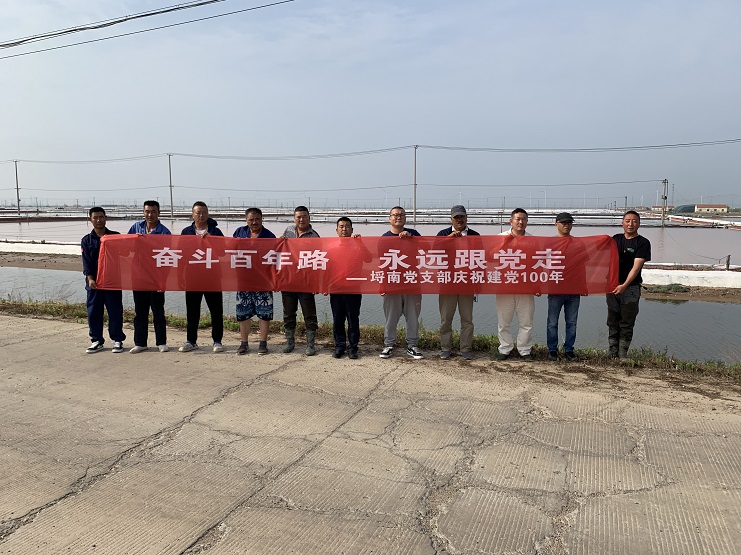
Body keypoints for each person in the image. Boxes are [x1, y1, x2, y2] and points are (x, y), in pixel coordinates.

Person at [179, 201, 225, 353]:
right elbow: (181, 254)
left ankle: (217, 341)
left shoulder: (216, 231)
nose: (201, 215)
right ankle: (191, 341)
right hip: (193, 277)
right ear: (192, 215)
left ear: (208, 214)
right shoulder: (186, 232)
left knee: (216, 311)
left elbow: (223, 251)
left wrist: (212, 239)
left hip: (213, 277)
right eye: (198, 212)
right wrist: (180, 276)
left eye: (204, 212)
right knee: (192, 311)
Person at [379, 206, 424, 360]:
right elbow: (382, 263)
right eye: (395, 215)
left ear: (405, 218)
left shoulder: (414, 234)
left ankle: (412, 345)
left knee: (412, 318)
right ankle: (388, 345)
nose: (398, 217)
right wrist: (382, 285)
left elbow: (428, 247)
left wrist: (412, 239)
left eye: (401, 215)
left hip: (412, 282)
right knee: (391, 318)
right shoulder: (384, 238)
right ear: (390, 218)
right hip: (392, 284)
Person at [436, 205, 479, 360]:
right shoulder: (443, 234)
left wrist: (478, 283)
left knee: (467, 319)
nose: (459, 220)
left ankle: (465, 348)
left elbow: (480, 259)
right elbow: (433, 250)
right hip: (447, 283)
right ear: (451, 219)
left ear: (466, 218)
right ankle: (445, 348)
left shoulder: (475, 235)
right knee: (446, 319)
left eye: (462, 217)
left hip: (467, 283)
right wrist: (449, 238)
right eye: (456, 217)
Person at [127, 200, 171, 353]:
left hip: (156, 278)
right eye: (147, 211)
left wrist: (163, 281)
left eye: (153, 211)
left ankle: (161, 342)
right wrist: (135, 240)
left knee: (158, 311)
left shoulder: (164, 232)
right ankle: (140, 343)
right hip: (139, 276)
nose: (150, 214)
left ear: (159, 213)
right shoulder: (136, 228)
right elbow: (127, 248)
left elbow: (168, 258)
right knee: (140, 312)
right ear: (143, 212)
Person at [606, 210, 651, 358]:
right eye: (627, 221)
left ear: (639, 223)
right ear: (622, 223)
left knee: (626, 322)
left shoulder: (643, 243)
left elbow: (636, 268)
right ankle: (612, 353)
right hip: (612, 287)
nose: (630, 224)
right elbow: (603, 256)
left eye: (634, 221)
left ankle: (623, 355)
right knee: (613, 320)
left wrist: (624, 285)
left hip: (630, 288)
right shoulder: (615, 239)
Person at [81, 207, 126, 354]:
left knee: (115, 311)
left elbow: (126, 252)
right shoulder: (86, 240)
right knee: (94, 312)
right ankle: (96, 340)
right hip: (94, 283)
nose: (99, 220)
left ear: (106, 218)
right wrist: (90, 278)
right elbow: (86, 262)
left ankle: (117, 340)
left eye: (101, 217)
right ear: (90, 220)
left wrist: (137, 239)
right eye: (95, 217)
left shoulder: (115, 237)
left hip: (112, 282)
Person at [233, 207, 276, 355]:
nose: (254, 222)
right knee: (243, 313)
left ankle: (263, 343)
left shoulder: (269, 236)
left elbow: (276, 259)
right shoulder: (239, 232)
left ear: (262, 219)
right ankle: (244, 343)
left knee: (264, 313)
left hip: (263, 281)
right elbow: (229, 249)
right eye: (251, 219)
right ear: (246, 220)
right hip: (243, 280)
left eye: (257, 219)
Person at [495, 208, 536, 360]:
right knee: (503, 321)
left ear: (527, 222)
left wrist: (537, 285)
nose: (520, 222)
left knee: (526, 321)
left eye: (524, 219)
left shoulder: (533, 240)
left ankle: (524, 350)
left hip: (526, 286)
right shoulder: (500, 238)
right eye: (518, 219)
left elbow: (538, 263)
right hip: (505, 286)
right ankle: (505, 349)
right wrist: (503, 244)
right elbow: (490, 256)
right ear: (511, 221)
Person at [281, 205, 320, 356]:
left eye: (304, 216)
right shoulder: (288, 231)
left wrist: (317, 283)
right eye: (298, 217)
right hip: (289, 280)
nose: (301, 219)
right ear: (294, 218)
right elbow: (280, 251)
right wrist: (280, 242)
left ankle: (310, 344)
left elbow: (318, 261)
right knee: (288, 313)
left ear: (309, 218)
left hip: (306, 282)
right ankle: (290, 342)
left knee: (309, 315)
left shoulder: (314, 236)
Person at [546, 212, 585, 362]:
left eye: (569, 222)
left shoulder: (578, 243)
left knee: (572, 322)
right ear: (556, 224)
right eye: (563, 222)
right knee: (552, 322)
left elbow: (582, 267)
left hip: (574, 290)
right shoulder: (550, 243)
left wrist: (584, 286)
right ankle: (552, 350)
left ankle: (569, 349)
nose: (566, 225)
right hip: (555, 289)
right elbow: (543, 265)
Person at [329, 217, 368, 359]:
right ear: (337, 230)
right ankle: (339, 346)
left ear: (352, 230)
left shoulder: (357, 246)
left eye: (347, 226)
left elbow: (368, 258)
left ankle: (353, 348)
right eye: (341, 226)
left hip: (353, 289)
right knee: (338, 320)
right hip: (336, 289)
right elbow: (327, 268)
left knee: (353, 319)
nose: (344, 229)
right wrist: (325, 285)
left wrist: (361, 243)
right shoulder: (332, 248)